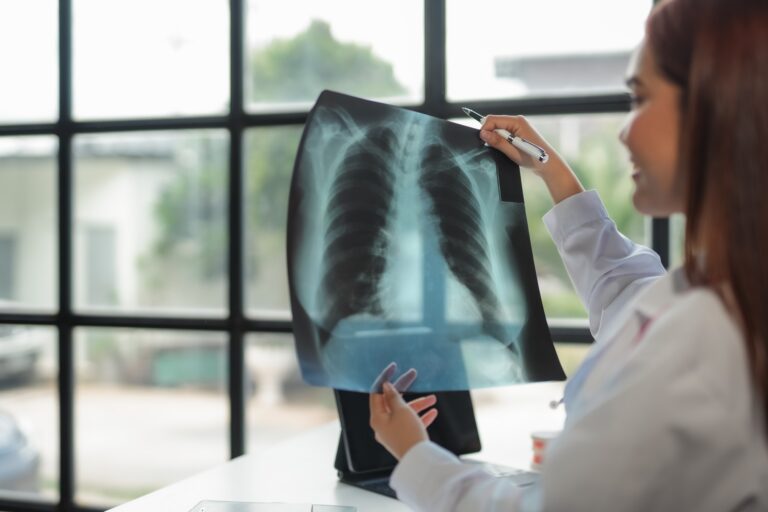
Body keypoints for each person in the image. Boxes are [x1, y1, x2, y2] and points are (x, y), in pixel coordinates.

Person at [367, 0, 768, 509]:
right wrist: (550, 170)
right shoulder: (725, 295)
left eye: (641, 100)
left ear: (718, 107)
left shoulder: (702, 345)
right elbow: (627, 293)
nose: (625, 131)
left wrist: (415, 456)